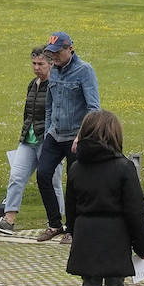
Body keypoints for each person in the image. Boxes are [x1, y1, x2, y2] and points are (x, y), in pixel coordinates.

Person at [65, 110, 144, 286]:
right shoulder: (124, 167)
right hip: (116, 235)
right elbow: (136, 209)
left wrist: (74, 231)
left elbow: (70, 207)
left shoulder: (77, 167)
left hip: (86, 234)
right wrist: (142, 246)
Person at [0, 46, 64, 235]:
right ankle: (8, 220)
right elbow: (27, 112)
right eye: (34, 63)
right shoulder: (33, 84)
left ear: (50, 64)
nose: (37, 67)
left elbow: (59, 113)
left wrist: (52, 137)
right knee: (16, 176)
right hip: (27, 139)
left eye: (41, 64)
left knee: (53, 182)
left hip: (48, 141)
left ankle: (57, 220)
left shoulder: (56, 84)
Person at [35, 31, 100, 244]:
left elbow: (93, 108)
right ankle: (54, 224)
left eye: (58, 53)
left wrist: (81, 136)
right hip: (55, 134)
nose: (54, 57)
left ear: (69, 49)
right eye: (51, 53)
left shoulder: (84, 71)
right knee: (43, 175)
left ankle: (73, 229)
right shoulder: (53, 71)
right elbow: (49, 105)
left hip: (76, 136)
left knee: (74, 183)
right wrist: (47, 133)